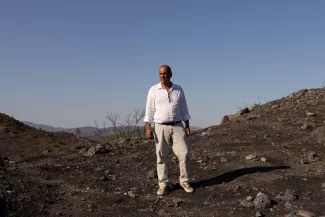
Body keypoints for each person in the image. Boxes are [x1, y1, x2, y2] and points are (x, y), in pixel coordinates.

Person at [144, 65, 193, 196]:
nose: (162, 76)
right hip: (160, 126)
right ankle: (163, 184)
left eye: (165, 74)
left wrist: (187, 125)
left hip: (177, 126)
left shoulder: (178, 89)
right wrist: (148, 128)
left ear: (170, 74)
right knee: (161, 155)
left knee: (184, 153)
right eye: (160, 74)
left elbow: (184, 109)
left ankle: (184, 181)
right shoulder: (153, 90)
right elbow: (149, 110)